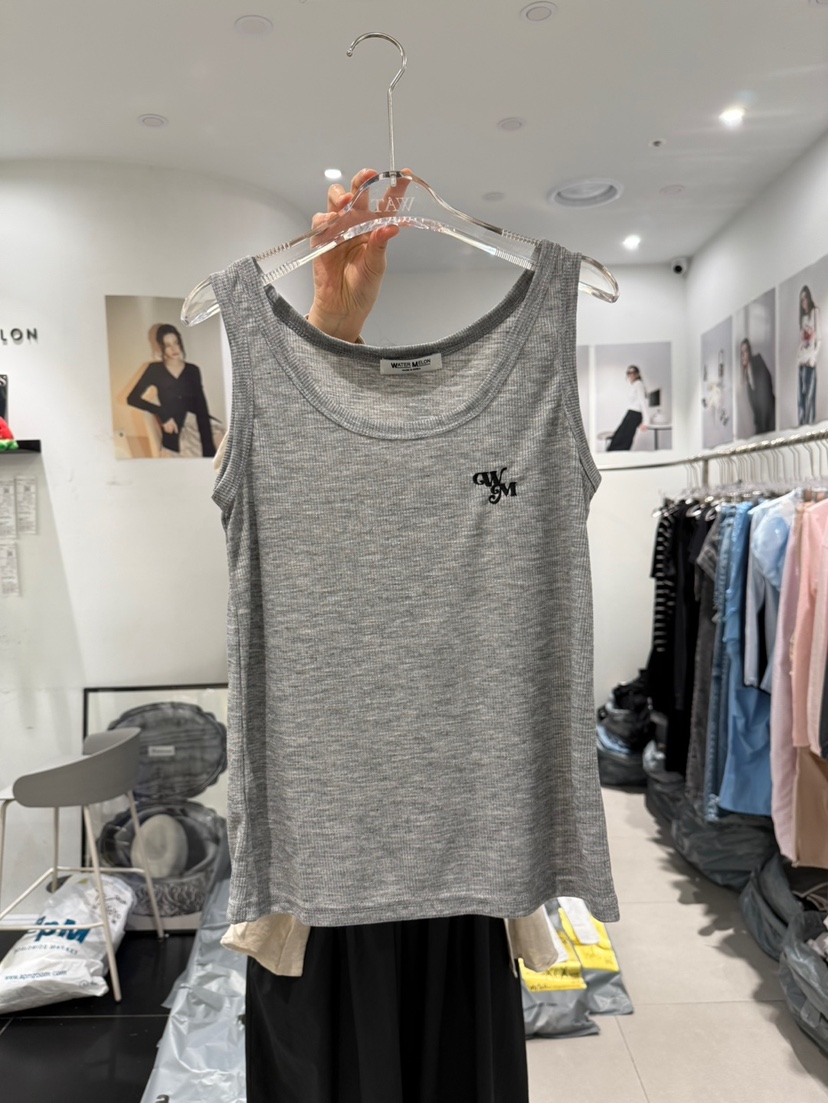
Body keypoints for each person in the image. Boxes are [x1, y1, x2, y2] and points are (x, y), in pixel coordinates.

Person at [238, 168, 533, 1103]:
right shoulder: (275, 397)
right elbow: (292, 475)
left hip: (467, 854)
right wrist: (331, 326)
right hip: (315, 869)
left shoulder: (523, 397)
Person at [126, 324, 217, 457]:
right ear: (161, 347)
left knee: (224, 444)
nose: (174, 349)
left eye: (176, 343)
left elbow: (201, 407)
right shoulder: (154, 370)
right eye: (168, 345)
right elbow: (132, 398)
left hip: (197, 423)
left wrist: (208, 449)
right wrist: (162, 413)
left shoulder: (193, 370)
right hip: (175, 428)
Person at [607, 365, 649, 450]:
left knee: (623, 440)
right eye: (629, 373)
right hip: (631, 414)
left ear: (637, 374)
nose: (631, 375)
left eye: (633, 372)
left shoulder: (638, 384)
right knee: (619, 438)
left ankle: (617, 456)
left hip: (634, 414)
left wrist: (646, 422)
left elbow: (643, 402)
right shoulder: (635, 385)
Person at [739, 337, 775, 435]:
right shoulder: (746, 376)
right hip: (760, 424)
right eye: (741, 353)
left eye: (745, 351)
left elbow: (766, 390)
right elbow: (754, 404)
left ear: (749, 351)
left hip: (770, 417)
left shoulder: (757, 361)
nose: (743, 356)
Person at [798, 284, 821, 426]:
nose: (804, 302)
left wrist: (813, 358)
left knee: (810, 400)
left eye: (805, 298)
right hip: (801, 363)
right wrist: (799, 359)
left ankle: (810, 431)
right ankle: (802, 430)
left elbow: (819, 340)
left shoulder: (815, 313)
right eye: (801, 300)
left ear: (809, 298)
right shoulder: (803, 319)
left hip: (810, 364)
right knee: (801, 401)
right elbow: (802, 343)